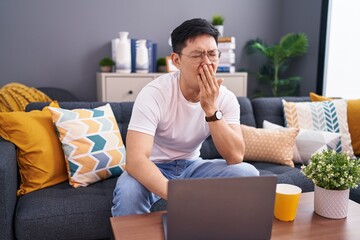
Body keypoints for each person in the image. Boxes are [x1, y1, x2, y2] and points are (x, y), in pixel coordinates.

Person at [111, 18, 259, 217]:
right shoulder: (154, 93)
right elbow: (136, 160)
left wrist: (211, 110)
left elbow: (235, 157)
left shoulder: (226, 98)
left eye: (213, 54)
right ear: (176, 60)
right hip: (154, 166)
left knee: (248, 174)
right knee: (129, 192)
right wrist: (177, 194)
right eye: (198, 55)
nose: (207, 63)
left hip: (192, 166)